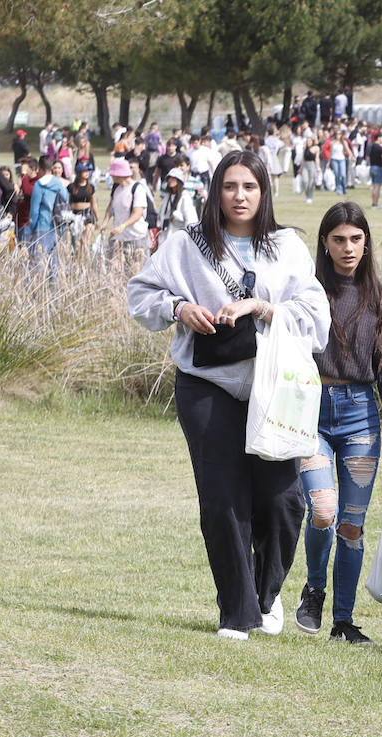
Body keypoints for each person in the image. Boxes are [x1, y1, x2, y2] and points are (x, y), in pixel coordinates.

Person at [127, 149, 330, 640]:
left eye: (250, 187)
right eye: (230, 186)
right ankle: (236, 613)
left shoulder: (287, 246)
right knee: (223, 498)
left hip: (272, 385)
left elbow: (315, 310)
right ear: (216, 191)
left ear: (264, 192)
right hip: (207, 383)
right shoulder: (186, 244)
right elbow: (140, 293)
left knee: (282, 501)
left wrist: (266, 307)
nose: (240, 196)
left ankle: (265, 595)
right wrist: (178, 308)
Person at [295, 202, 382, 645]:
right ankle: (314, 590)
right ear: (324, 243)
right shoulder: (306, 292)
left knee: (351, 524)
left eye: (356, 239)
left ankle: (343, 622)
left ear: (367, 243)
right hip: (309, 413)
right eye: (339, 239)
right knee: (323, 511)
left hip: (361, 415)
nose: (348, 247)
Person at [102, 157, 151, 260]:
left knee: (137, 270)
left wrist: (122, 226)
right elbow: (111, 207)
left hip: (137, 237)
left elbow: (137, 214)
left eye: (113, 173)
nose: (111, 175)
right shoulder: (117, 189)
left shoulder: (137, 189)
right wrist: (105, 222)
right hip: (120, 238)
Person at [157, 168, 199, 237]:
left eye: (173, 178)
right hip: (166, 234)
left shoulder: (185, 197)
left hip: (179, 235)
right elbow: (161, 213)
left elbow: (191, 220)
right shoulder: (167, 196)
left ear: (179, 180)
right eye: (169, 178)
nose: (170, 180)